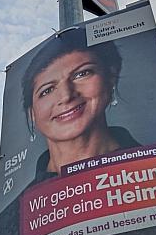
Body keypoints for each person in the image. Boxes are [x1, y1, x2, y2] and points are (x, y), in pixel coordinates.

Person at [21, 27, 139, 181]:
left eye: (82, 74)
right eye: (47, 90)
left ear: (110, 77)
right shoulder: (22, 205)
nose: (66, 96)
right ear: (31, 113)